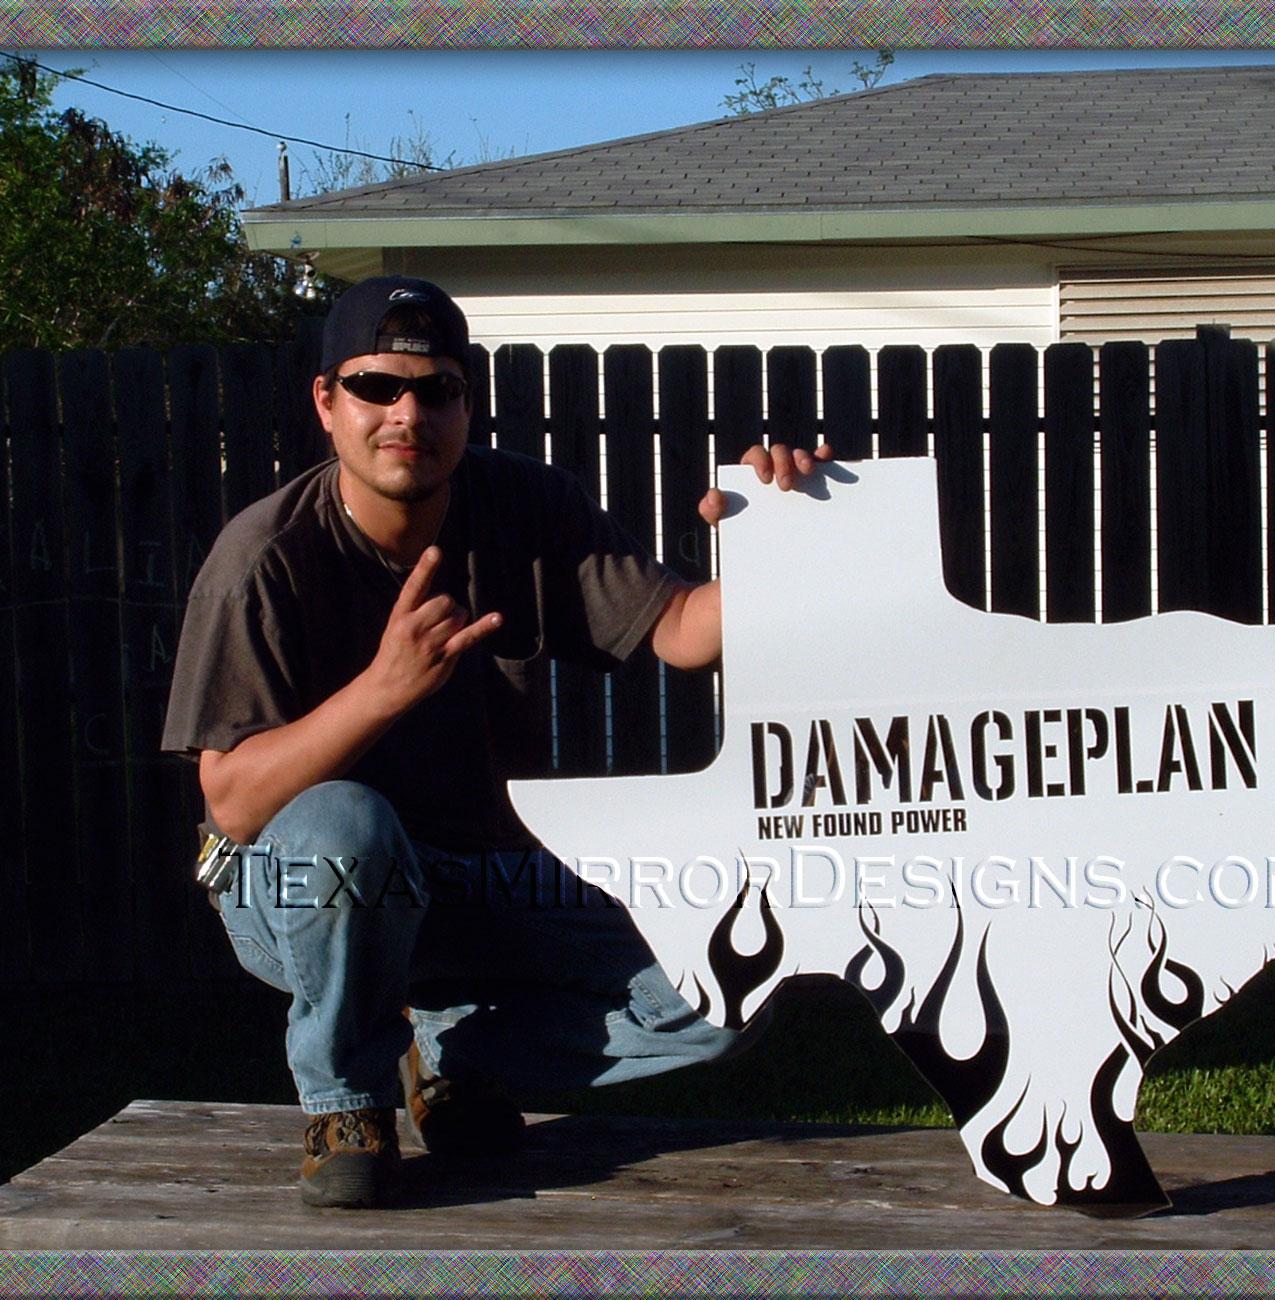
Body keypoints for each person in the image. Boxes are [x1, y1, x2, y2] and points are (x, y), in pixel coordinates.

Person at [161, 275, 827, 1208]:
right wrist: (382, 691)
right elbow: (232, 801)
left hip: (485, 878)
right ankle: (347, 1100)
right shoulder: (264, 557)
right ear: (326, 401)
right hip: (300, 886)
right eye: (376, 387)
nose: (408, 414)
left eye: (437, 390)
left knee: (726, 987)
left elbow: (680, 629)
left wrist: (789, 546)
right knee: (348, 825)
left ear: (466, 404)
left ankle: (450, 1049)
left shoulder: (526, 506)